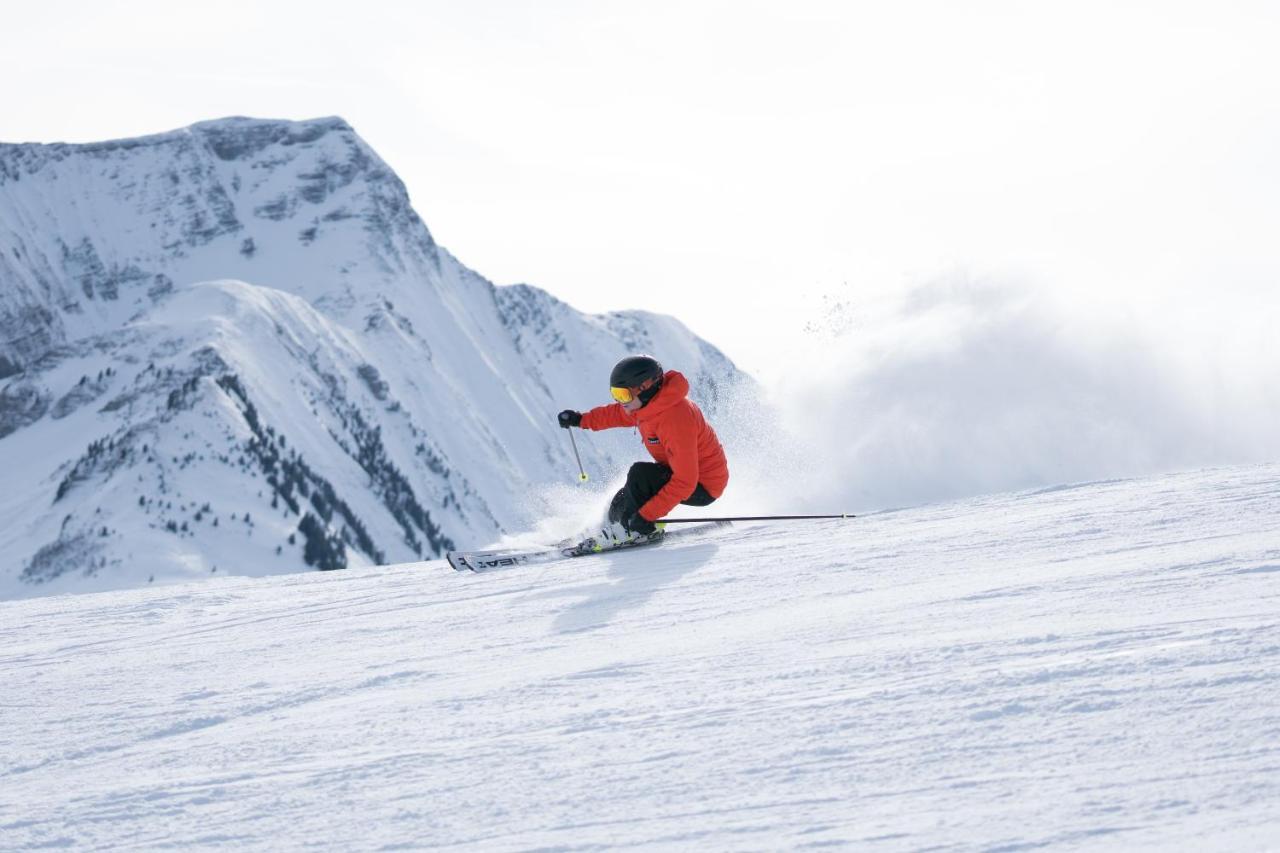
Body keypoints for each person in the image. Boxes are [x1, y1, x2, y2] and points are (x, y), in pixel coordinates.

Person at [558, 354, 729, 542]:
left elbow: (686, 481)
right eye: (616, 394)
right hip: (680, 473)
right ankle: (612, 529)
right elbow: (615, 415)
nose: (621, 402)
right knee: (622, 500)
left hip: (703, 486)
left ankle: (631, 531)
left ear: (645, 387)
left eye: (624, 395)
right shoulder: (649, 406)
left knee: (640, 475)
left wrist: (646, 516)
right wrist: (581, 419)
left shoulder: (675, 418)